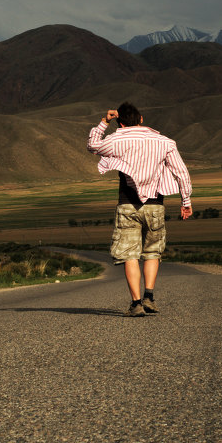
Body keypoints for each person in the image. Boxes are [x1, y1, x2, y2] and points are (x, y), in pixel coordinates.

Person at [87, 102, 193, 317]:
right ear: (142, 118)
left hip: (127, 204)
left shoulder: (116, 138)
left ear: (120, 122)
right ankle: (149, 297)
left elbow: (93, 146)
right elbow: (181, 172)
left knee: (130, 255)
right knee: (153, 252)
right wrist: (186, 201)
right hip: (155, 205)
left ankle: (136, 304)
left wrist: (103, 122)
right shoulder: (165, 142)